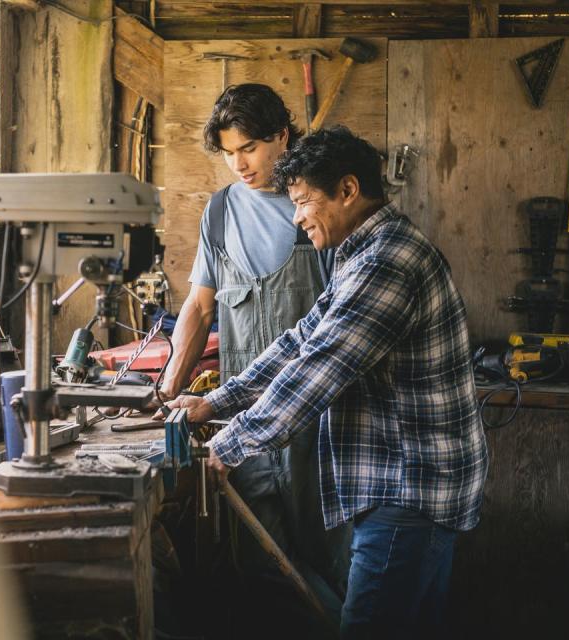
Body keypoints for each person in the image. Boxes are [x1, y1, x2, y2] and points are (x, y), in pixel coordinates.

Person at [163, 126, 489, 637]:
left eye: (304, 202)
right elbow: (300, 341)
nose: (297, 218)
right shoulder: (359, 254)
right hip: (400, 484)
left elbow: (321, 370)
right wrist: (216, 402)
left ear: (348, 190)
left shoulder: (387, 263)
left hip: (407, 489)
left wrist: (229, 445)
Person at [155, 84, 345, 615]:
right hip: (243, 422)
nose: (239, 164)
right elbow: (198, 308)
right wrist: (169, 384)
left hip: (319, 424)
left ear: (282, 136)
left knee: (331, 556)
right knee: (259, 563)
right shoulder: (219, 212)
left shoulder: (319, 204)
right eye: (229, 152)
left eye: (250, 148)